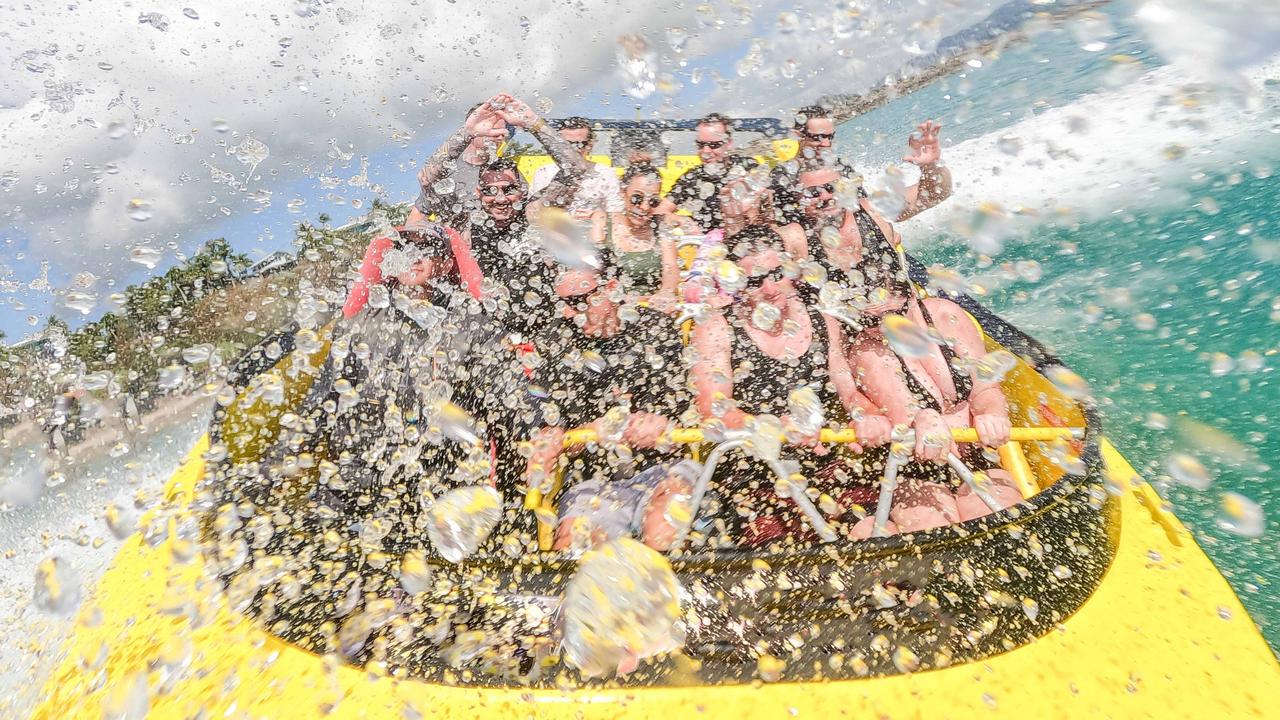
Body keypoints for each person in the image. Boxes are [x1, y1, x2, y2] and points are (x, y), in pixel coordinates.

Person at [688, 248, 887, 546]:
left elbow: (849, 393)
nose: (769, 289)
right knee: (778, 549)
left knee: (870, 529)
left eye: (777, 275)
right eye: (755, 281)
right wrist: (771, 426)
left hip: (821, 457)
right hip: (754, 468)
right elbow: (712, 407)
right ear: (738, 285)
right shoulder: (717, 327)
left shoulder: (824, 322)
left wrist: (867, 416)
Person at [845, 275, 1022, 537]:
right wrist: (928, 416)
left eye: (894, 315)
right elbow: (908, 417)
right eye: (872, 321)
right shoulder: (866, 349)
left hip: (974, 455)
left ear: (912, 297)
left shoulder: (945, 315)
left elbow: (985, 388)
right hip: (915, 467)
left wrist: (991, 413)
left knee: (998, 527)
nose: (885, 328)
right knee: (937, 534)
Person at [772, 105, 953, 225]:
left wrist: (931, 166)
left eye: (830, 137)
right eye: (817, 137)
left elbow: (933, 195)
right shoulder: (782, 179)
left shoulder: (841, 168)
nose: (826, 144)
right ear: (798, 136)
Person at [587, 164, 691, 307]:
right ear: (623, 192)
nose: (644, 207)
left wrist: (666, 292)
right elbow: (593, 272)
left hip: (652, 305)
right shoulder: (602, 222)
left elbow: (671, 268)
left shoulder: (660, 225)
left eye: (653, 201)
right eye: (637, 198)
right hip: (611, 306)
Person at [664, 113, 760, 231]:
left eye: (714, 145)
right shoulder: (692, 178)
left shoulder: (747, 168)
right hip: (707, 244)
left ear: (728, 143)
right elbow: (660, 211)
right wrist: (682, 220)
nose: (706, 151)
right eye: (700, 145)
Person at [528, 117, 622, 220]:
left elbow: (616, 215)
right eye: (566, 144)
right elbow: (531, 214)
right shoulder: (544, 172)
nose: (573, 149)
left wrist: (597, 215)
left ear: (590, 145)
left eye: (580, 144)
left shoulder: (606, 174)